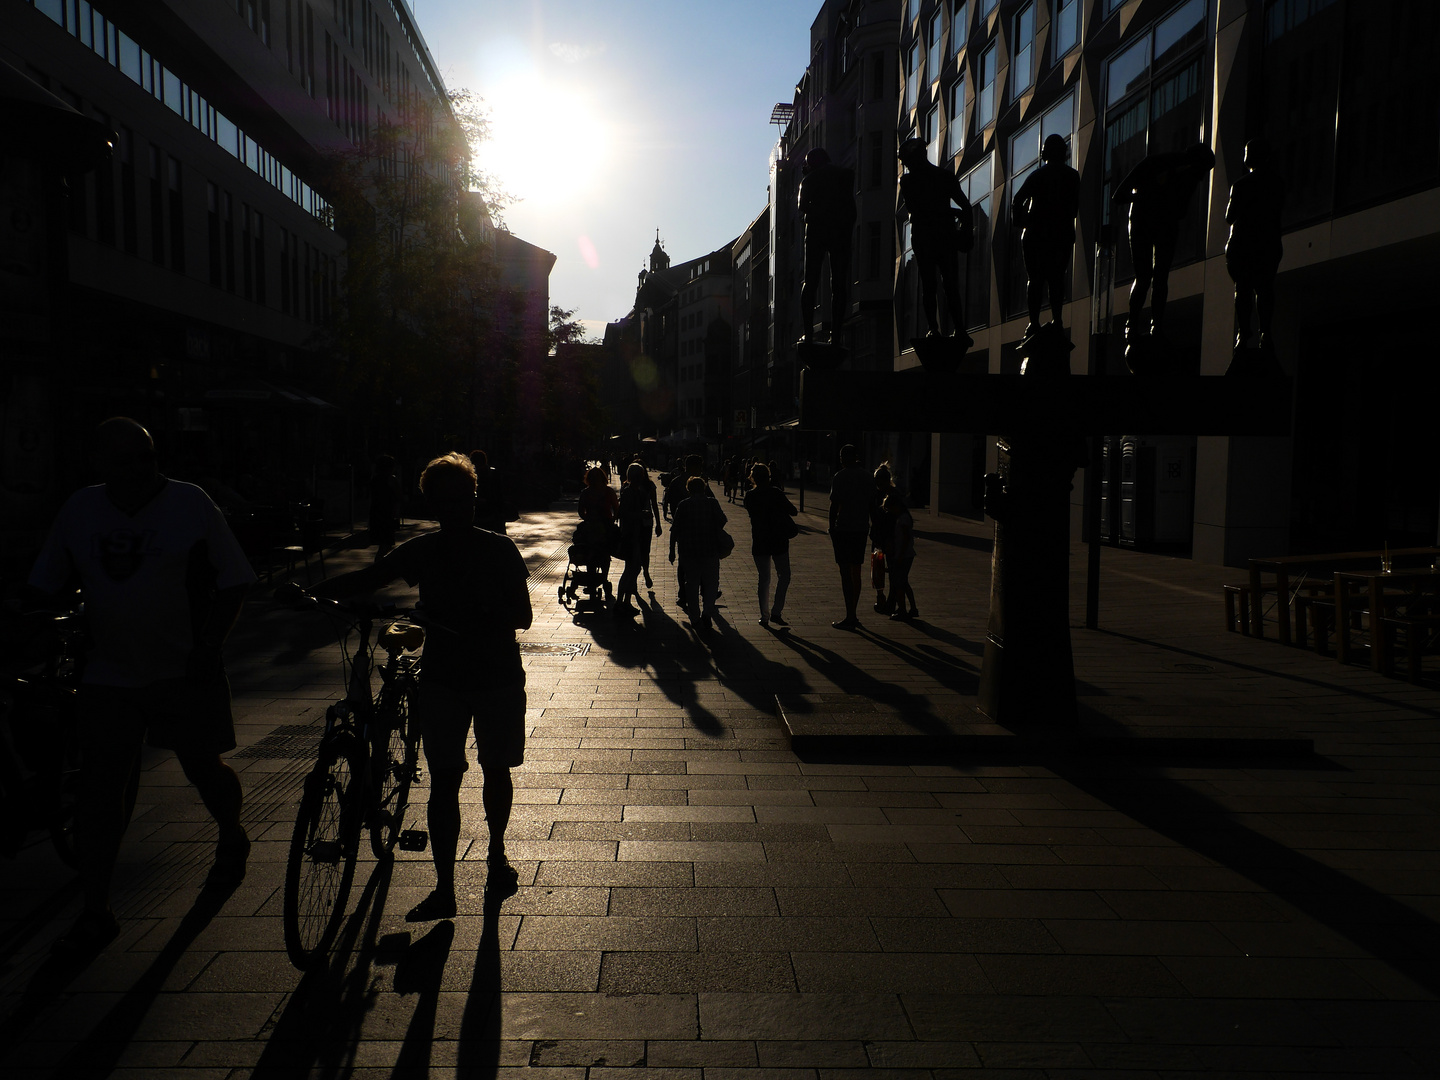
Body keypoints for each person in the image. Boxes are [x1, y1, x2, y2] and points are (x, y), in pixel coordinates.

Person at [28, 417, 255, 954]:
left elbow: (235, 579)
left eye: (147, 458)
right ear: (101, 464)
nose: (139, 471)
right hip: (109, 673)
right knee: (102, 788)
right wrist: (36, 616)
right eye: (124, 460)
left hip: (183, 669)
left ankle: (232, 830)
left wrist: (209, 646)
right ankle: (96, 908)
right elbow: (44, 582)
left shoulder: (190, 503)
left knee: (203, 767)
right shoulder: (81, 509)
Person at [306, 452, 532, 916]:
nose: (459, 508)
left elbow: (522, 615)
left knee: (477, 773)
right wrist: (316, 595)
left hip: (480, 677)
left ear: (473, 499)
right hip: (468, 678)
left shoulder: (490, 549)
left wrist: (457, 616)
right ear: (435, 505)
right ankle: (457, 879)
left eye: (464, 499)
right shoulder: (444, 550)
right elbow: (370, 578)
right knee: (462, 776)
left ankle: (487, 859)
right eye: (449, 501)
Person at [1112, 143, 1216, 337]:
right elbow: (1118, 196)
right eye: (1201, 170)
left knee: (1159, 277)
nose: (1201, 177)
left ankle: (1154, 325)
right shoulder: (1155, 163)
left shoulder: (1189, 177)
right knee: (1145, 277)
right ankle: (1133, 323)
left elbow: (1181, 211)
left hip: (1165, 225)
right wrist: (1148, 197)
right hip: (1142, 222)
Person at [898, 136, 973, 344]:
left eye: (907, 161)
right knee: (938, 284)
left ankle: (948, 328)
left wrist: (965, 231)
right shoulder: (938, 177)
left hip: (930, 237)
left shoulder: (915, 179)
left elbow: (963, 208)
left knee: (940, 284)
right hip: (934, 236)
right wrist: (956, 216)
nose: (906, 166)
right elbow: (918, 209)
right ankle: (940, 328)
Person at [1012, 133, 1081, 336]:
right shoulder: (1072, 176)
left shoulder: (1038, 175)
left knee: (1036, 280)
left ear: (1045, 153)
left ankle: (1035, 323)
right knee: (1056, 279)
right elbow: (1073, 208)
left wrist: (1023, 222)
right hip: (1061, 234)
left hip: (1037, 235)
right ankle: (1056, 321)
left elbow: (1017, 200)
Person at [1225, 139, 1285, 352]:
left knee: (1243, 291)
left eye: (1247, 152)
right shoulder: (1277, 184)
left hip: (1243, 246)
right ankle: (1265, 333)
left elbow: (1229, 217)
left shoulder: (1241, 185)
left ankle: (1243, 333)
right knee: (1265, 290)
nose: (1245, 155)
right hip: (1268, 244)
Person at [797, 147, 858, 344]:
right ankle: (837, 334)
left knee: (810, 282)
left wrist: (808, 181)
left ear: (813, 163)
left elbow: (803, 207)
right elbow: (851, 207)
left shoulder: (809, 179)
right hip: (840, 232)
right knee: (839, 283)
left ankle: (808, 332)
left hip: (817, 232)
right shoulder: (846, 174)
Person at [743, 462, 798, 628]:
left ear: (752, 478)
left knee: (764, 579)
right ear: (768, 477)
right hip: (778, 539)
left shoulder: (749, 496)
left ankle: (764, 616)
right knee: (784, 575)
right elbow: (793, 511)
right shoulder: (776, 493)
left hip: (760, 540)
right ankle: (776, 611)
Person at [669, 475, 727, 632]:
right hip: (710, 550)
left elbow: (674, 529)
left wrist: (671, 550)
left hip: (689, 551)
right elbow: (723, 520)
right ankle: (707, 612)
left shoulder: (683, 505)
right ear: (704, 488)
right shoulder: (712, 503)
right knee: (711, 584)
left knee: (692, 585)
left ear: (688, 489)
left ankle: (695, 618)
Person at [827, 444, 873, 630]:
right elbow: (872, 505)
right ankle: (853, 612)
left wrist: (831, 528)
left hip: (844, 528)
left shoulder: (840, 477)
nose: (840, 459)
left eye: (841, 456)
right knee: (856, 570)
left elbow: (834, 505)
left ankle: (850, 615)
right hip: (861, 528)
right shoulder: (867, 477)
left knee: (845, 572)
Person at [614, 462, 663, 616]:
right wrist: (641, 515)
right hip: (630, 535)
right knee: (631, 568)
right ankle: (620, 602)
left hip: (636, 533)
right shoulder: (629, 492)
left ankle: (626, 601)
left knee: (634, 568)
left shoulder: (634, 490)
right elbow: (623, 513)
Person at [577, 466, 618, 600]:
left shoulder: (585, 493)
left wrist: (588, 519)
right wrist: (613, 520)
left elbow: (580, 511)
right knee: (605, 554)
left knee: (590, 554)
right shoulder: (608, 492)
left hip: (590, 528)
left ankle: (591, 579)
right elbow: (616, 508)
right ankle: (604, 578)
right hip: (605, 527)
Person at [885, 491, 918, 620]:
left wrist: (899, 555)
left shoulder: (903, 519)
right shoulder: (904, 517)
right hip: (906, 554)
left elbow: (905, 539)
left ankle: (902, 609)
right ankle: (912, 608)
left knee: (899, 583)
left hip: (903, 555)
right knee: (904, 582)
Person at [870, 462, 896, 615]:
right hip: (880, 536)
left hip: (887, 536)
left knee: (885, 570)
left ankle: (887, 599)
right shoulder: (877, 493)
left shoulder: (889, 495)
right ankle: (883, 598)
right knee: (880, 569)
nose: (878, 484)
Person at [468, 449, 511, 535]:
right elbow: (500, 494)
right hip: (492, 512)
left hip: (481, 513)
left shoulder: (470, 475)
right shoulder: (493, 473)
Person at [369, 454, 401, 561]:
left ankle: (379, 565)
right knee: (386, 544)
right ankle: (378, 566)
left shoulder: (375, 480)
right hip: (386, 516)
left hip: (378, 515)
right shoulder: (390, 480)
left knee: (384, 544)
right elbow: (396, 497)